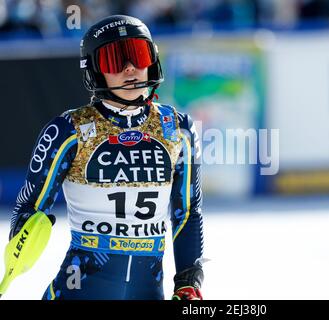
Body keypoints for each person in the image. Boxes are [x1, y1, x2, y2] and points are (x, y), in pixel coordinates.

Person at [9, 15, 204, 300]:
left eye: (138, 54)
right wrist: (24, 234)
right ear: (95, 71)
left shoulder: (178, 129)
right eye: (115, 60)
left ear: (152, 59)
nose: (129, 69)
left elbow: (187, 211)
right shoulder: (68, 130)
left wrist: (189, 280)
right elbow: (29, 206)